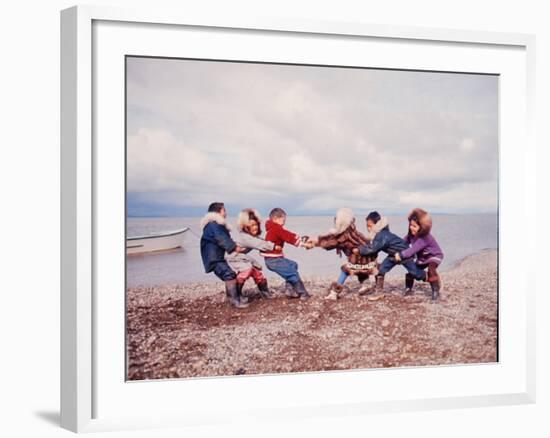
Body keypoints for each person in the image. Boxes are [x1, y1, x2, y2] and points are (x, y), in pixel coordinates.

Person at [308, 208, 380, 300]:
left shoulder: (343, 235)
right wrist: (314, 242)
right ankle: (365, 284)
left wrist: (314, 243)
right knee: (360, 268)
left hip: (361, 258)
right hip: (369, 258)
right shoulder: (352, 230)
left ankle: (334, 293)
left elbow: (329, 243)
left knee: (346, 270)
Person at [356, 211, 426, 295]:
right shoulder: (379, 234)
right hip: (393, 255)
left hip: (403, 253)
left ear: (376, 224)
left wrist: (359, 249)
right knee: (381, 270)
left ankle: (430, 278)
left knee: (415, 273)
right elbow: (375, 247)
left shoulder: (382, 235)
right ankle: (379, 292)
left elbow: (373, 248)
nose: (368, 229)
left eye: (370, 226)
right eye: (367, 226)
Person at [200, 202, 248, 309]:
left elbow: (226, 239)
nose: (226, 212)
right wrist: (236, 248)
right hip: (213, 258)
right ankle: (235, 301)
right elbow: (222, 239)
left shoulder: (215, 225)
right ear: (218, 212)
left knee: (230, 275)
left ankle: (233, 298)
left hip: (216, 257)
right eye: (224, 210)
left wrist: (237, 246)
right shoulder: (214, 225)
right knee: (229, 274)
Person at [226, 208, 279, 301]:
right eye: (252, 225)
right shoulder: (245, 237)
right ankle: (236, 295)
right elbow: (259, 244)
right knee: (246, 269)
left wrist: (272, 241)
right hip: (233, 257)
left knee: (257, 273)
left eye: (256, 225)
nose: (255, 227)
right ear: (246, 227)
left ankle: (265, 292)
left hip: (242, 257)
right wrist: (274, 246)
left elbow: (261, 240)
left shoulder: (251, 236)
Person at [261, 208, 312, 300]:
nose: (284, 222)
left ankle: (290, 290)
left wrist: (300, 239)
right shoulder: (276, 229)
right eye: (283, 220)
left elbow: (287, 235)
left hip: (273, 259)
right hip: (273, 260)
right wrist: (302, 244)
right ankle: (303, 293)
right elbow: (288, 236)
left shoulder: (274, 228)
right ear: (276, 218)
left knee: (293, 265)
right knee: (292, 273)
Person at [395, 208, 444, 300]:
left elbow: (413, 250)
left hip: (434, 256)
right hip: (422, 258)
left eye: (414, 226)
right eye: (410, 225)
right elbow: (402, 243)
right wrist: (394, 246)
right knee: (412, 271)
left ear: (422, 227)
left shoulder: (425, 238)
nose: (411, 228)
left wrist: (401, 255)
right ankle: (408, 288)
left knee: (431, 270)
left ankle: (435, 290)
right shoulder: (411, 235)